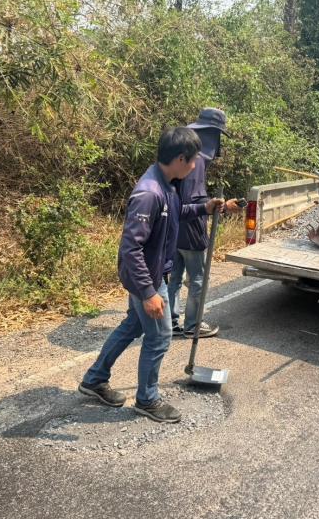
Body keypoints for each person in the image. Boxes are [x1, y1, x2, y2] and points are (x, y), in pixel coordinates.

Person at [78, 127, 224, 423]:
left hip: (150, 273)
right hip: (146, 277)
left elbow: (175, 212)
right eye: (193, 160)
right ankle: (147, 400)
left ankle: (94, 379)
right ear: (181, 159)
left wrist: (205, 208)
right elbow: (131, 248)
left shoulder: (167, 184)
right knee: (159, 337)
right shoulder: (149, 193)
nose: (195, 166)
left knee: (132, 326)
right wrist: (148, 292)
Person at [168, 108, 241, 338]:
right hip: (190, 229)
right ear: (211, 134)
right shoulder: (196, 160)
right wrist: (218, 206)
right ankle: (192, 325)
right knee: (198, 279)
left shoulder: (179, 153)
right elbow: (192, 200)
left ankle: (169, 323)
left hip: (172, 228)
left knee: (175, 277)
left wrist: (220, 205)